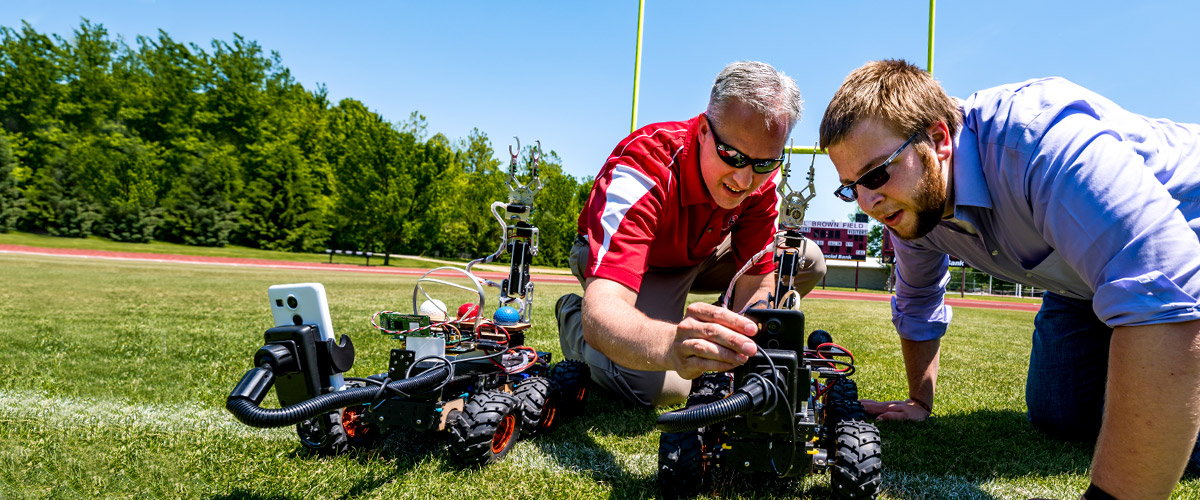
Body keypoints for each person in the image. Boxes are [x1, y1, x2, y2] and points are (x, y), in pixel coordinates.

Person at [819, 58, 1200, 499]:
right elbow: (918, 300)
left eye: (877, 172)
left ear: (938, 138)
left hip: (1184, 248)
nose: (867, 201)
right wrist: (919, 402)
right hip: (1080, 283)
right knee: (1059, 415)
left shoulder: (1040, 142)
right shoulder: (911, 212)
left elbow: (1163, 287)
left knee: (1178, 433)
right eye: (851, 187)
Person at [555, 61, 826, 407]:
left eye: (764, 164)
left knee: (805, 259)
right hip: (637, 264)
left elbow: (757, 282)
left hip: (699, 253)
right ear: (702, 130)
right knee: (659, 386)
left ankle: (694, 325)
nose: (744, 181)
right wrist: (671, 345)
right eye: (731, 155)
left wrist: (738, 341)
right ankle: (572, 315)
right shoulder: (643, 169)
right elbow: (606, 310)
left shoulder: (758, 181)